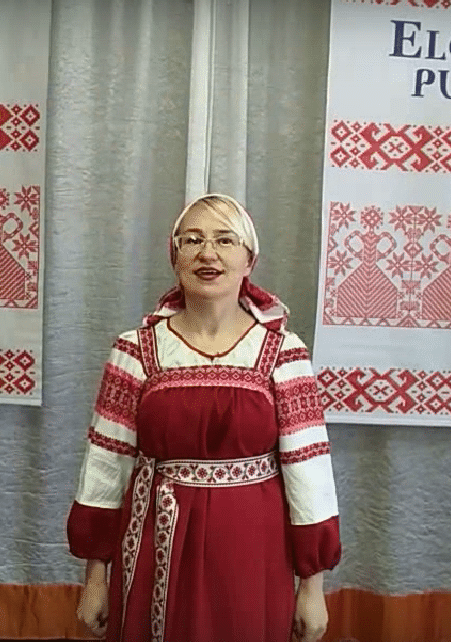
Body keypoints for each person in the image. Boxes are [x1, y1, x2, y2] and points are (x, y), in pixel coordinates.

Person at [67, 194, 340, 642]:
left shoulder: (283, 353)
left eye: (225, 240)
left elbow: (309, 471)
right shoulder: (136, 350)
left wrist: (312, 587)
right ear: (175, 258)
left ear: (249, 260)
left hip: (253, 550)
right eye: (192, 240)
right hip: (156, 540)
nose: (207, 253)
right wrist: (95, 577)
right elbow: (105, 464)